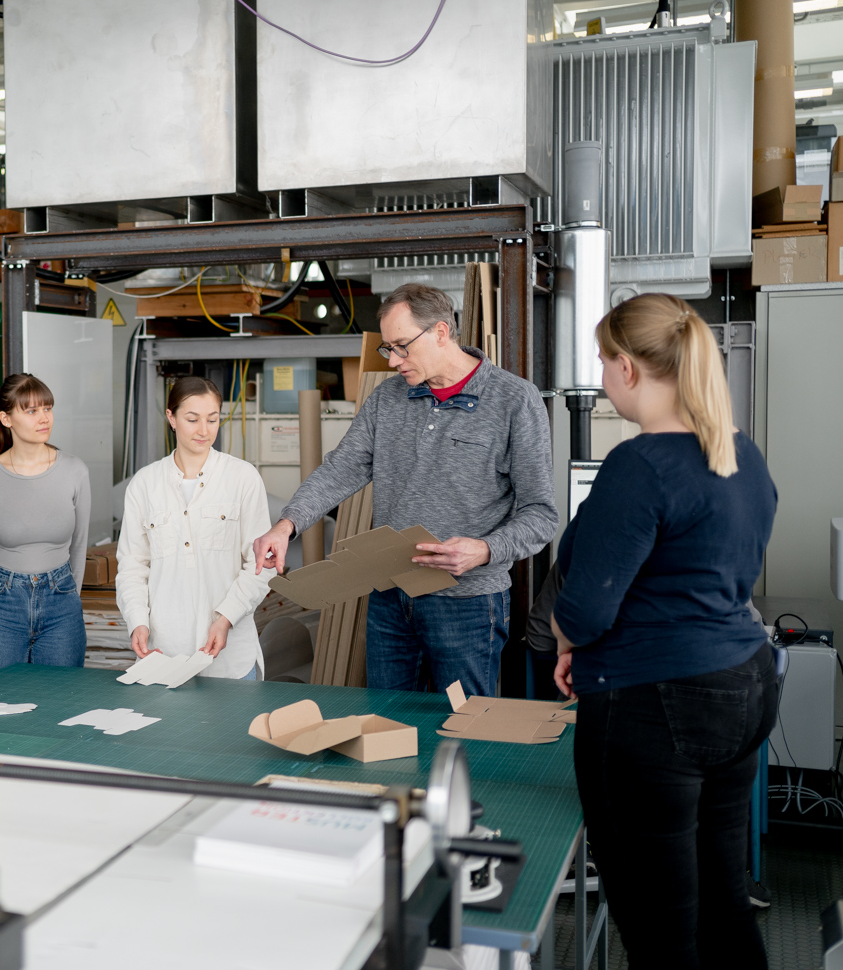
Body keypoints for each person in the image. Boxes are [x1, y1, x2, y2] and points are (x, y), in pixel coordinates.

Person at [551, 293, 778, 967]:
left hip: (655, 706)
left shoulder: (639, 463)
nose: (601, 375)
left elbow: (588, 607)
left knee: (661, 930)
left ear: (627, 367)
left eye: (601, 360)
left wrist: (566, 639)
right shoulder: (740, 453)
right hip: (742, 686)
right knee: (722, 899)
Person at [252, 283, 555, 695]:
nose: (393, 361)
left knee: (461, 725)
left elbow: (541, 515)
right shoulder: (387, 400)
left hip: (466, 603)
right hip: (390, 595)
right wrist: (286, 524)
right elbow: (341, 468)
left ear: (442, 333)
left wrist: (484, 550)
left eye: (402, 346)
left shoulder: (514, 401)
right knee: (386, 724)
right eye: (387, 349)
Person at [116, 377, 274, 678]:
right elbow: (133, 566)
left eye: (212, 419)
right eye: (192, 419)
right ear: (171, 418)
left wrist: (225, 618)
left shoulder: (242, 478)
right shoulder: (145, 484)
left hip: (231, 659)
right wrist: (137, 620)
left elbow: (260, 565)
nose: (204, 430)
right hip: (163, 656)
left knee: (235, 727)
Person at [0, 373, 91, 675]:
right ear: (6, 419)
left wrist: (68, 593)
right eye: (31, 410)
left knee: (58, 707)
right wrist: (4, 587)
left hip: (61, 602)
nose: (44, 418)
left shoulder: (75, 470)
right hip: (2, 606)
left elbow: (80, 544)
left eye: (47, 408)